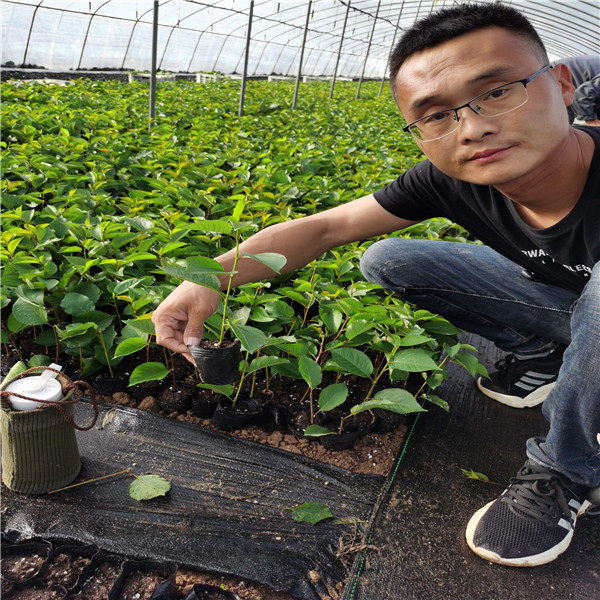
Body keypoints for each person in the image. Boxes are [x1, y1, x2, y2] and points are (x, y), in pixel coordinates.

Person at [152, 3, 599, 567]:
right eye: (437, 115)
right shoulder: (450, 180)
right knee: (389, 258)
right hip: (573, 307)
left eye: (498, 90)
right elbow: (325, 227)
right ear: (418, 133)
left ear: (562, 85)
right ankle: (544, 353)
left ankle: (567, 469)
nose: (474, 126)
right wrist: (211, 277)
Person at [551, 54, 600, 126]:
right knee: (564, 124)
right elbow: (581, 96)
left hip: (566, 81)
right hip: (555, 77)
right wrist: (591, 121)